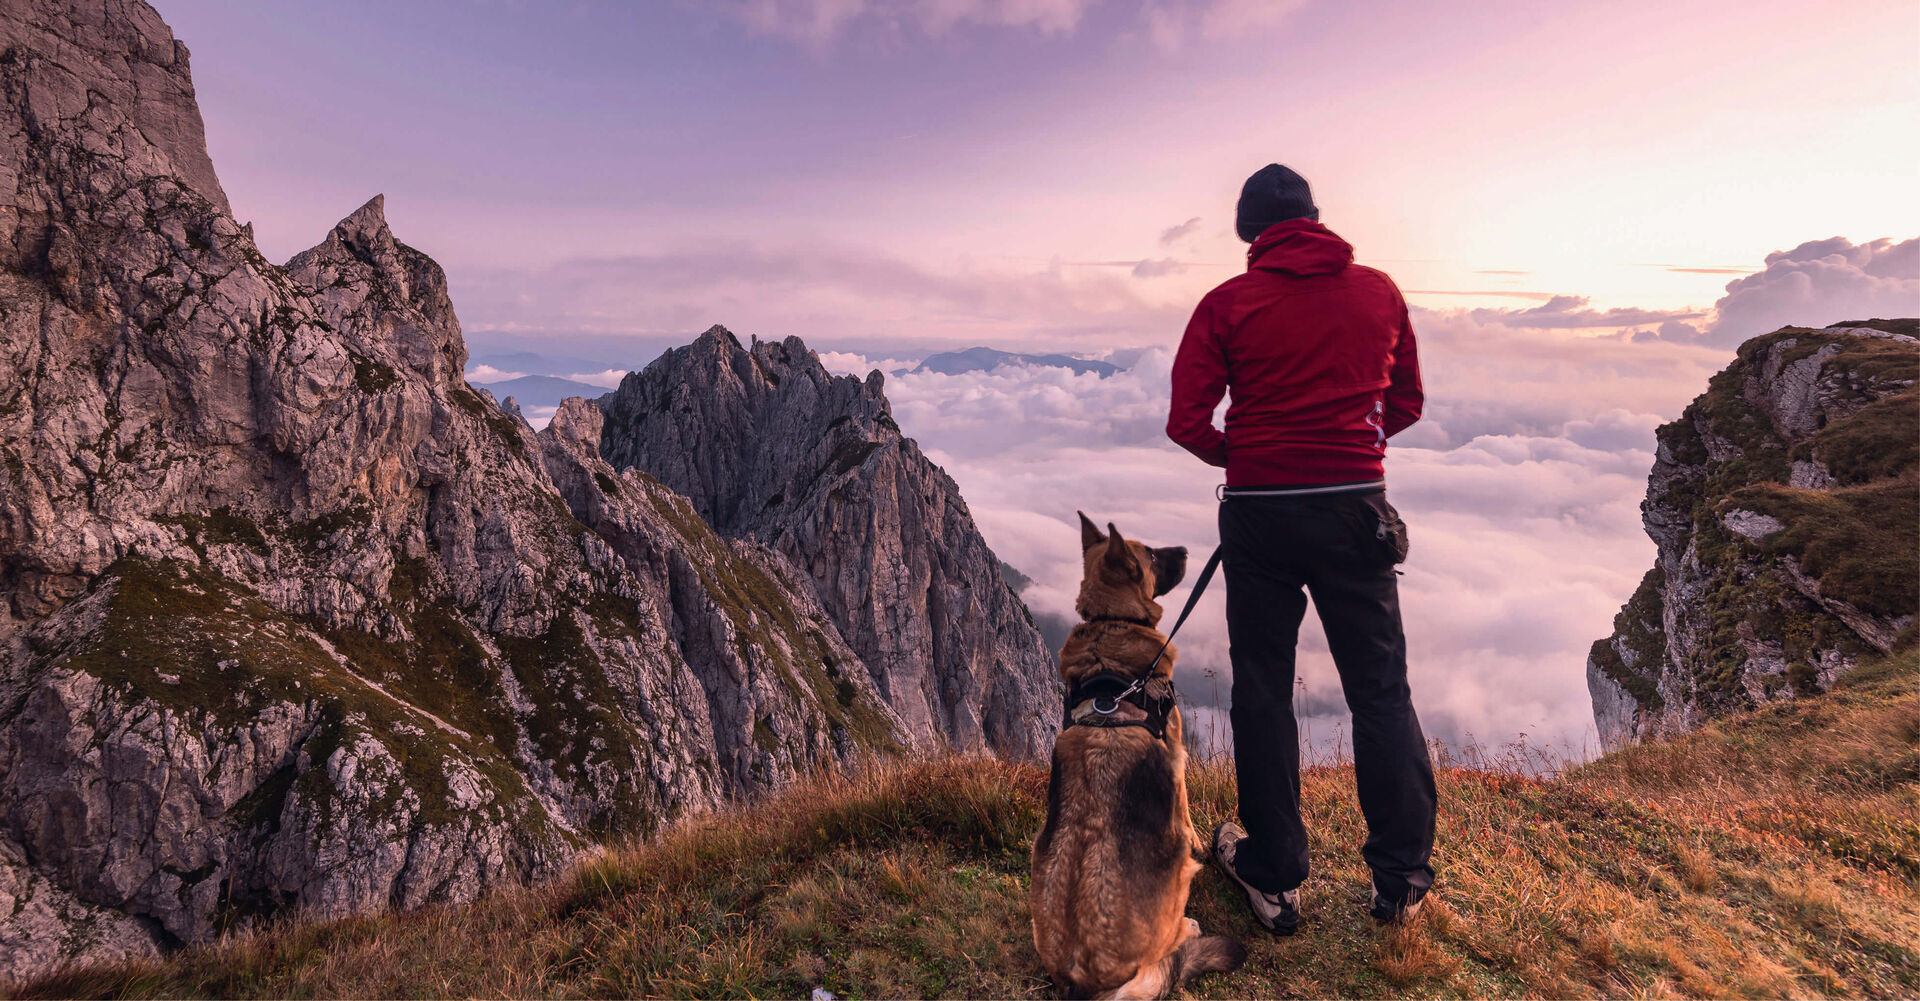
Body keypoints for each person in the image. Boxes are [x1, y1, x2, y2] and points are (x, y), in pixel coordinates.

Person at [1166, 163, 1436, 933]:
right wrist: (1353, 450)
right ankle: (1400, 878)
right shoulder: (1379, 292)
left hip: (1261, 519)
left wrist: (1246, 460)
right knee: (1380, 689)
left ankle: (1275, 873)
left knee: (1262, 689)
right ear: (1317, 219)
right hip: (1356, 511)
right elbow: (1406, 401)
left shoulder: (1227, 303)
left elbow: (1188, 421)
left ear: (1250, 232)